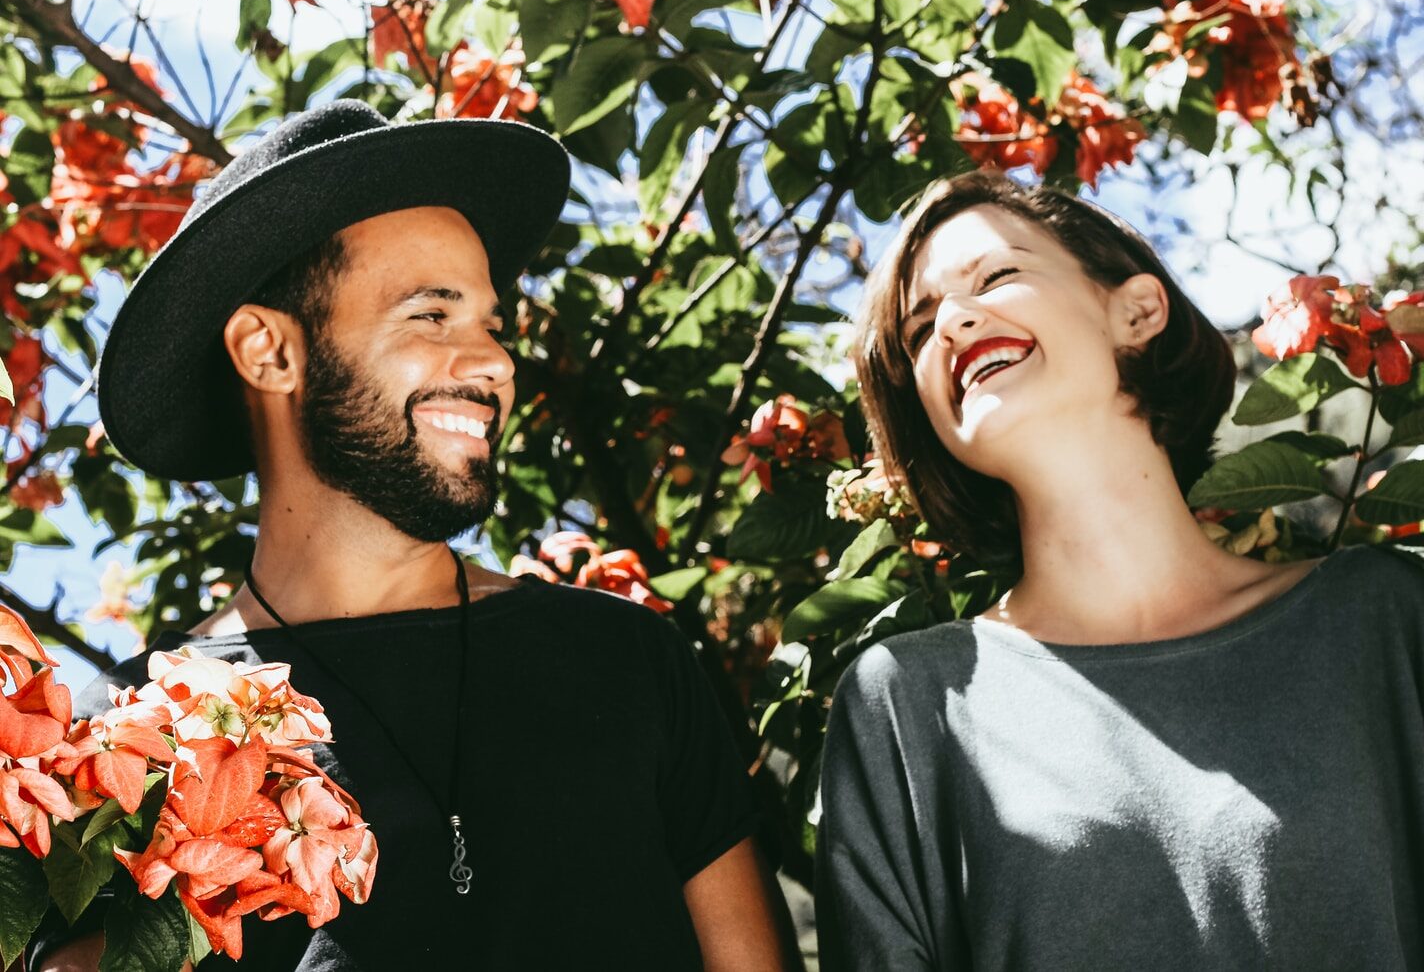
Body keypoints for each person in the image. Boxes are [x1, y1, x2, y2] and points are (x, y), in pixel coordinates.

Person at [35, 100, 801, 971]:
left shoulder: (626, 658)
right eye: (432, 316)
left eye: (492, 324)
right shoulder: (128, 744)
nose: (494, 362)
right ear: (268, 353)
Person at [815, 171, 1424, 969]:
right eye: (920, 330)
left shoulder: (1383, 618)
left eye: (996, 276)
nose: (955, 323)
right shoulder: (906, 706)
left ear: (1136, 310)